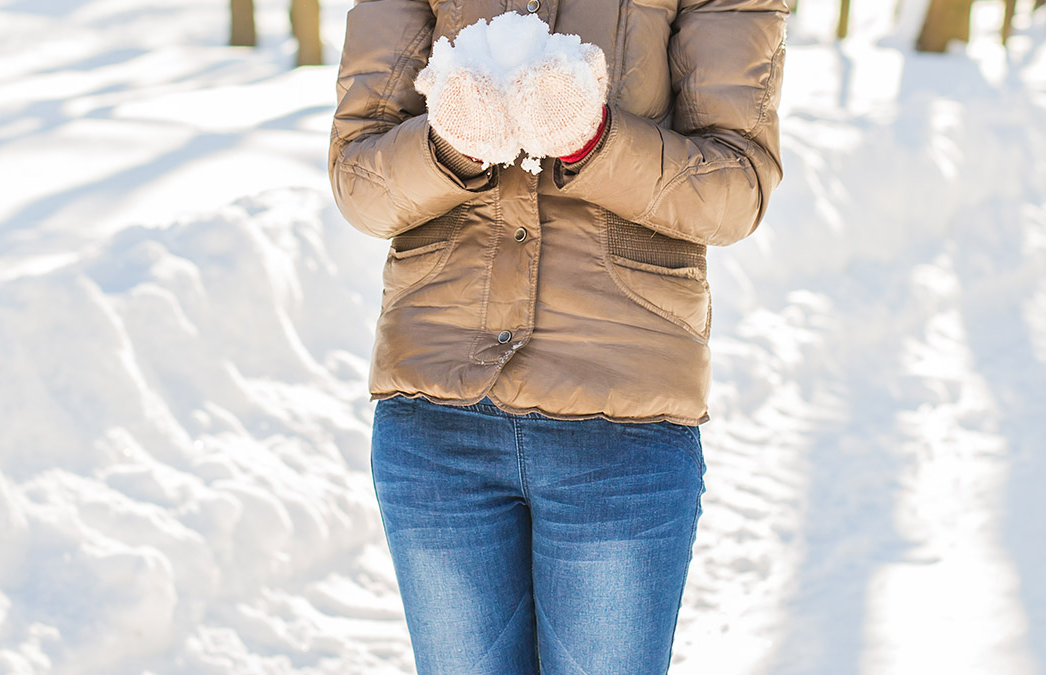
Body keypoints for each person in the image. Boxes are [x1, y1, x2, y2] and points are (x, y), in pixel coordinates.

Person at [327, 0, 787, 671]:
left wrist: (593, 141)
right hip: (436, 421)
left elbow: (737, 184)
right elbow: (357, 179)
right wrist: (446, 145)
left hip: (621, 427)